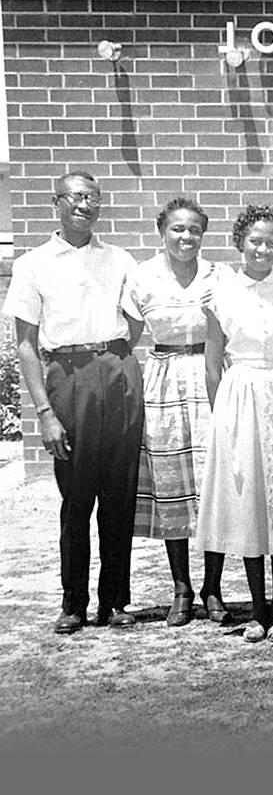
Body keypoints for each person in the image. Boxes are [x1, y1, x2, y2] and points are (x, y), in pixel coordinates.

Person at [3, 171, 144, 634]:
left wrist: (114, 359)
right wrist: (45, 411)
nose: (84, 205)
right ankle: (74, 603)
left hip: (117, 372)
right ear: (56, 203)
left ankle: (115, 601)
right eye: (75, 197)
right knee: (77, 497)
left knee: (119, 495)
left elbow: (134, 322)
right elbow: (25, 344)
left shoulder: (120, 259)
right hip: (67, 377)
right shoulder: (32, 264)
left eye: (93, 198)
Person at [195, 205, 273, 643]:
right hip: (239, 397)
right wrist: (221, 417)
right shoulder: (220, 291)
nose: (262, 249)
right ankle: (258, 610)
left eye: (270, 242)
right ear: (239, 243)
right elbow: (212, 364)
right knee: (248, 501)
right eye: (254, 241)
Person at [125, 198, 229, 627]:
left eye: (194, 231)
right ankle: (182, 587)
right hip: (164, 380)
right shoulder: (143, 276)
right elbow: (126, 338)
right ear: (161, 231)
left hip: (209, 375)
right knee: (172, 486)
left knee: (212, 482)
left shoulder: (218, 276)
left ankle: (214, 587)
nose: (186, 238)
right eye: (177, 230)